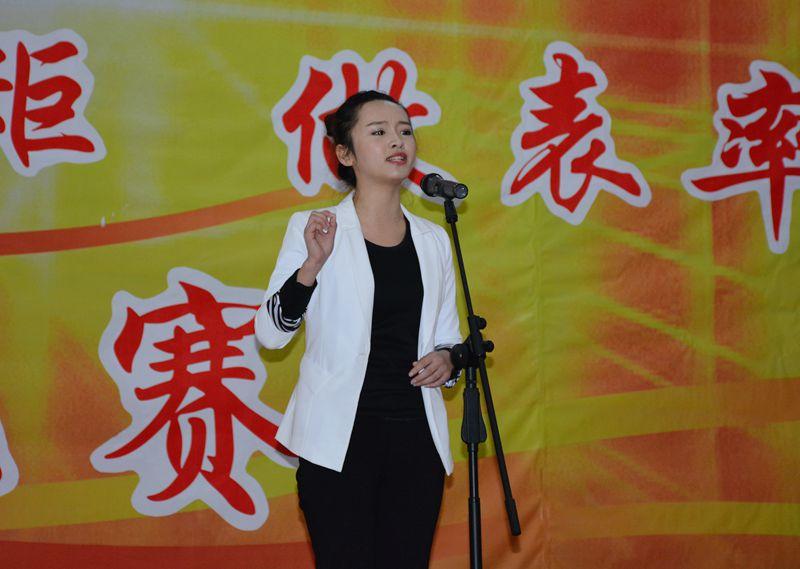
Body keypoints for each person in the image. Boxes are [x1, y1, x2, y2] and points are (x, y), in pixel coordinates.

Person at [254, 90, 462, 568]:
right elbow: (270, 333)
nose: (397, 141)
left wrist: (447, 360)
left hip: (415, 440)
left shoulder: (433, 239)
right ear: (345, 154)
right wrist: (311, 266)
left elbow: (447, 337)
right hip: (338, 441)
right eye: (379, 132)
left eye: (405, 131)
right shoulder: (314, 228)